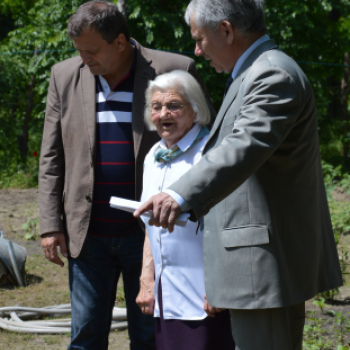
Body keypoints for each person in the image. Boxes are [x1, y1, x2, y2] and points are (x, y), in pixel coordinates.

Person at [134, 0, 343, 349]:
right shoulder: (252, 73)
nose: (197, 51)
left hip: (264, 264)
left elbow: (244, 146)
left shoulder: (271, 73)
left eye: (200, 39)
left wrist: (178, 193)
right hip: (256, 262)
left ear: (227, 31)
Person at [38, 1, 214, 349]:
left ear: (120, 42)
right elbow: (51, 154)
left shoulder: (173, 68)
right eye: (79, 50)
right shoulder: (64, 74)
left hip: (150, 231)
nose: (83, 59)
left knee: (149, 334)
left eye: (91, 50)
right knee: (86, 334)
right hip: (86, 231)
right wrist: (49, 223)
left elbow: (205, 141)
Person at [135, 70, 235, 350]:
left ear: (195, 109)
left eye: (173, 106)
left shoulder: (212, 154)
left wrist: (220, 286)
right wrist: (147, 279)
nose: (163, 113)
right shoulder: (153, 155)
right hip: (166, 296)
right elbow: (150, 224)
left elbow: (227, 223)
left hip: (205, 294)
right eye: (156, 107)